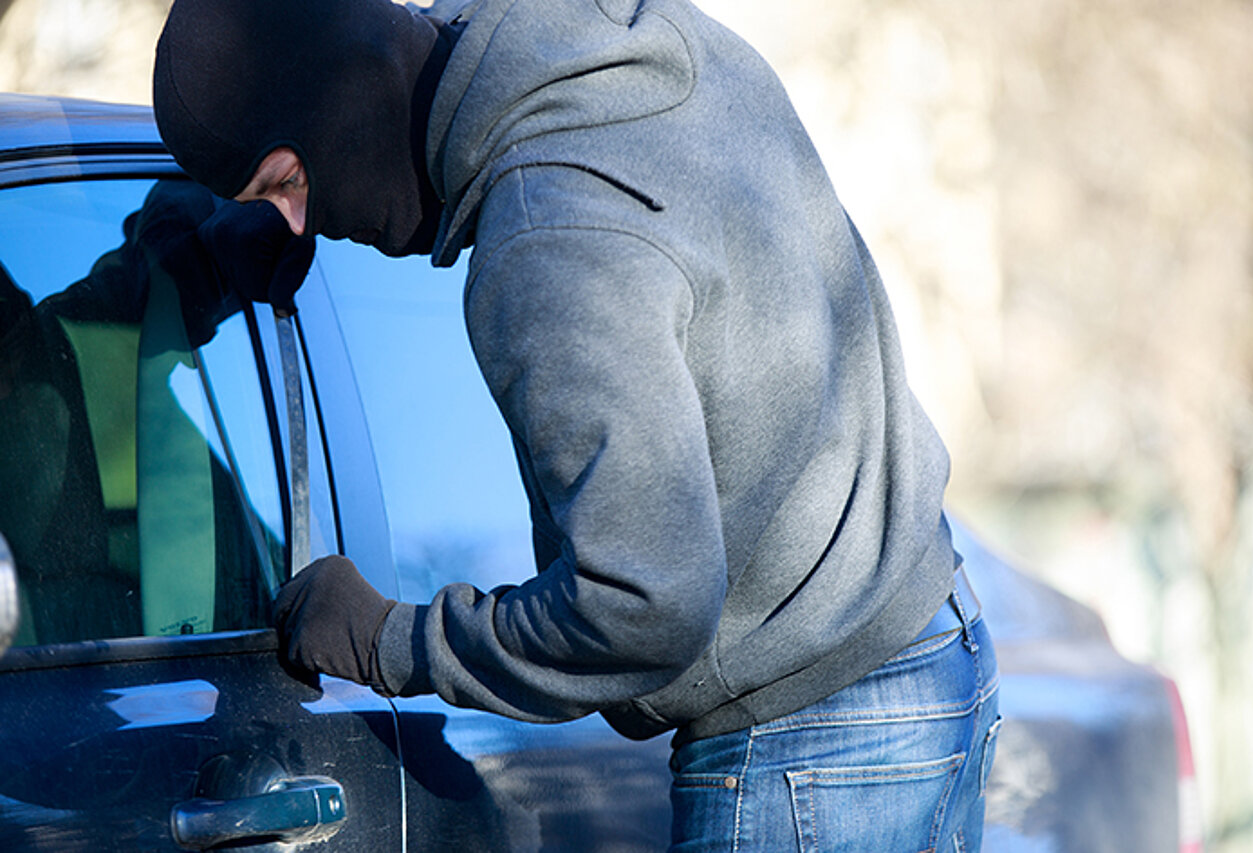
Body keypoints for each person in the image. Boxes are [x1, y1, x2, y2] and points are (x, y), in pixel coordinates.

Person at [152, 0, 1001, 849]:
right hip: (929, 645)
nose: (298, 222)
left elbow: (641, 605)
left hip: (806, 746)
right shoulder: (610, 40)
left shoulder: (545, 247)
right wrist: (164, 281)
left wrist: (388, 638)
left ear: (341, 112)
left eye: (288, 183)